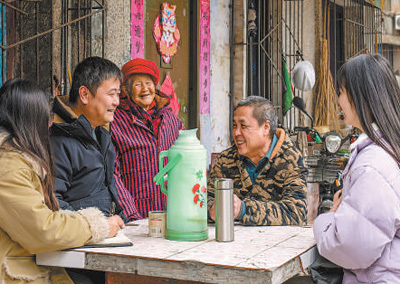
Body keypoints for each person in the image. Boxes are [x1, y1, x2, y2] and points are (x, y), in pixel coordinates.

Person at [0, 79, 121, 283]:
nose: (50, 123)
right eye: (47, 116)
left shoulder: (19, 160)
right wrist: (96, 226)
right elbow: (42, 230)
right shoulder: (9, 166)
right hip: (16, 272)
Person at [313, 54, 400, 283]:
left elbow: (349, 247)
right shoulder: (384, 150)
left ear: (359, 96)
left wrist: (327, 218)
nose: (338, 101)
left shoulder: (372, 165)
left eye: (341, 92)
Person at [50, 56, 141, 223]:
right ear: (84, 94)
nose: (116, 102)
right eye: (112, 94)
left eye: (118, 95)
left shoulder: (101, 134)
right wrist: (98, 227)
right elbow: (53, 202)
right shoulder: (59, 140)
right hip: (79, 243)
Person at [207, 96, 308, 225]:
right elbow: (205, 201)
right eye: (234, 126)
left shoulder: (291, 160)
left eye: (243, 126)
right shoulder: (226, 160)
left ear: (266, 127)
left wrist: (243, 210)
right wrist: (211, 209)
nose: (236, 133)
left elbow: (296, 213)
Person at [111, 58, 185, 218]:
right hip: (138, 214)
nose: (145, 88)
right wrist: (131, 215)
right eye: (138, 84)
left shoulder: (172, 120)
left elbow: (186, 164)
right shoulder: (116, 121)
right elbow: (112, 173)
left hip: (174, 211)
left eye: (149, 83)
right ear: (127, 89)